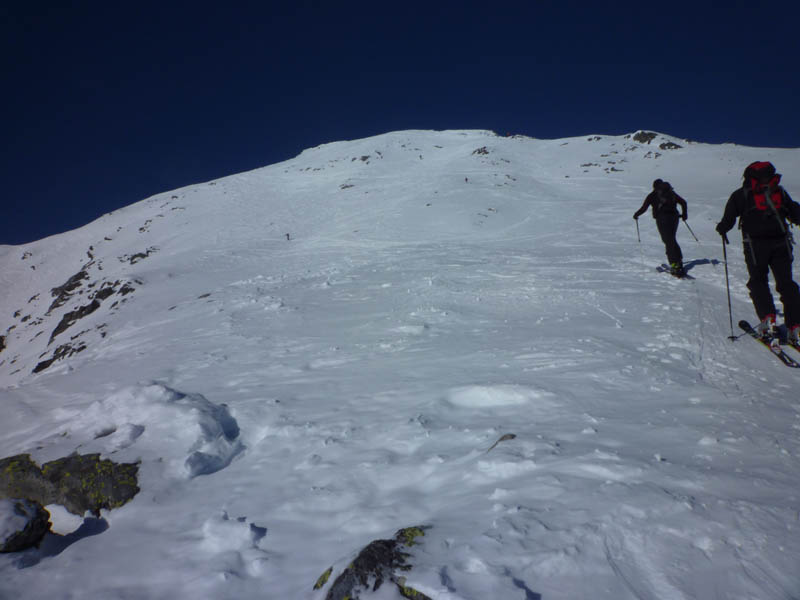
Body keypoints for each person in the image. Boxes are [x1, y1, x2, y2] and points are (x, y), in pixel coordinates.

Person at [716, 161, 800, 343]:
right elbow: (795, 213)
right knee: (786, 283)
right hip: (781, 244)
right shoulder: (779, 192)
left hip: (755, 247)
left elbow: (728, 219)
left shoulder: (740, 195)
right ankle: (795, 326)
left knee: (758, 281)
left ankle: (767, 319)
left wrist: (722, 228)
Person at [633, 179, 689, 275]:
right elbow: (683, 202)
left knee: (668, 241)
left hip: (662, 219)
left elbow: (644, 207)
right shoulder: (671, 193)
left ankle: (674, 264)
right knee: (671, 239)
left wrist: (636, 215)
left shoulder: (652, 195)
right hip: (674, 218)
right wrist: (684, 215)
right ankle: (678, 260)